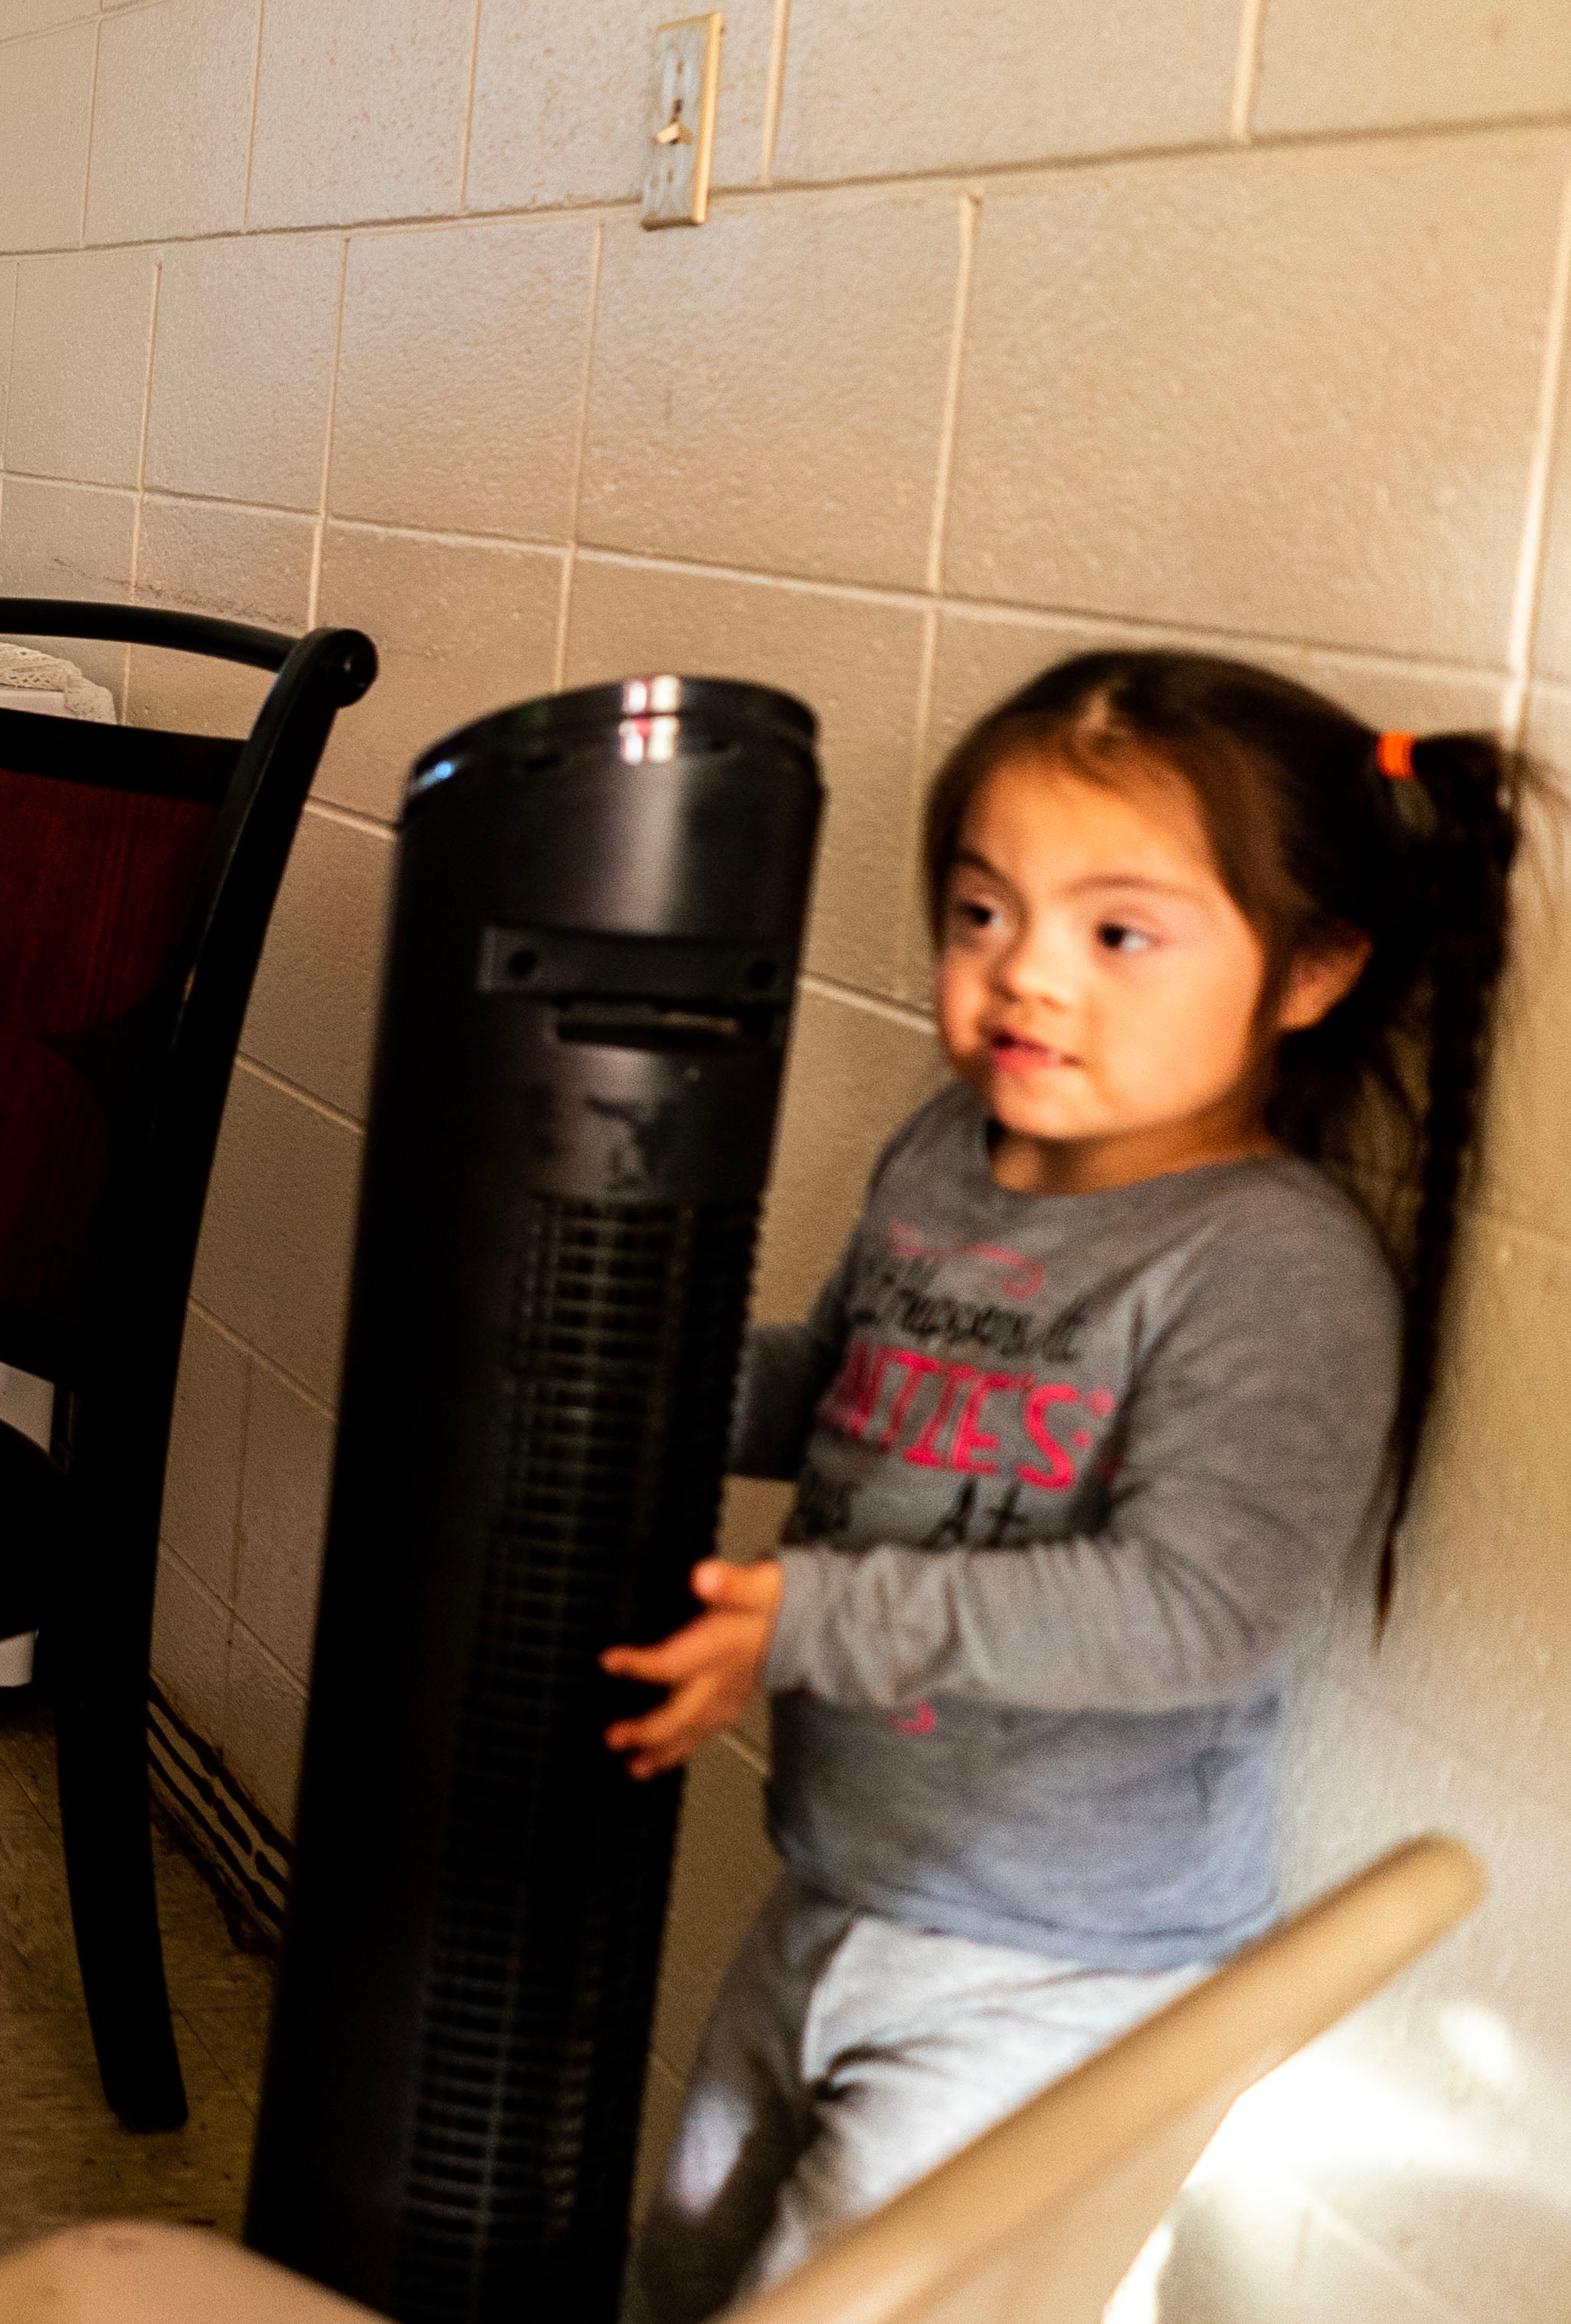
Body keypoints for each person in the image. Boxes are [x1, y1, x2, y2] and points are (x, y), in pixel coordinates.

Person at [607, 651, 1532, 2319]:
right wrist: (640, 1379)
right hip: (841, 1876)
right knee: (684, 2266)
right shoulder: (946, 1153)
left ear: (1314, 969)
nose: (1023, 973)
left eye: (1117, 932)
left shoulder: (1269, 1268)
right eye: (980, 911)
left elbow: (1199, 1610)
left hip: (1054, 1963)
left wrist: (813, 1615)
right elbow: (846, 1389)